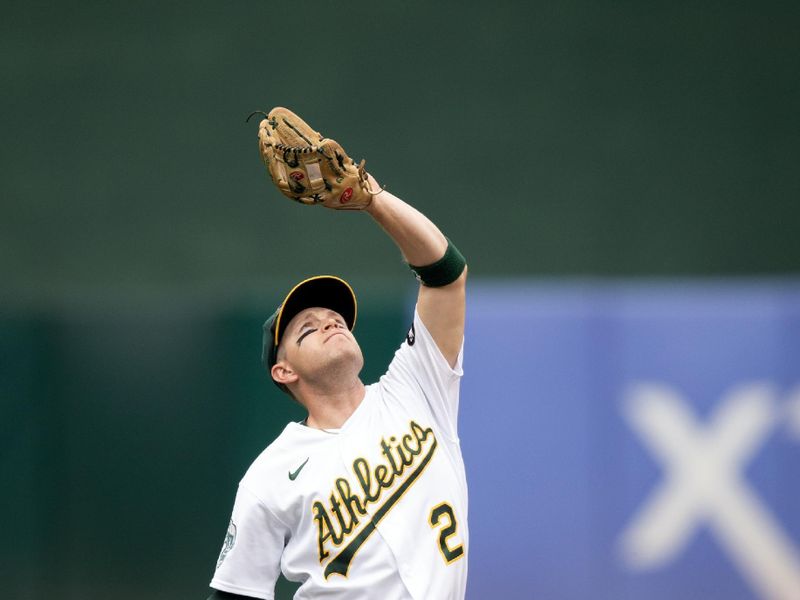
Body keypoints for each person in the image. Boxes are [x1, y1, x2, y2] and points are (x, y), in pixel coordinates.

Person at [207, 174, 469, 599]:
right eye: (307, 329)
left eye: (335, 318)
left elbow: (446, 274)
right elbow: (234, 593)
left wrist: (373, 199)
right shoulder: (269, 476)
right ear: (284, 371)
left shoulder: (419, 387)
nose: (328, 321)